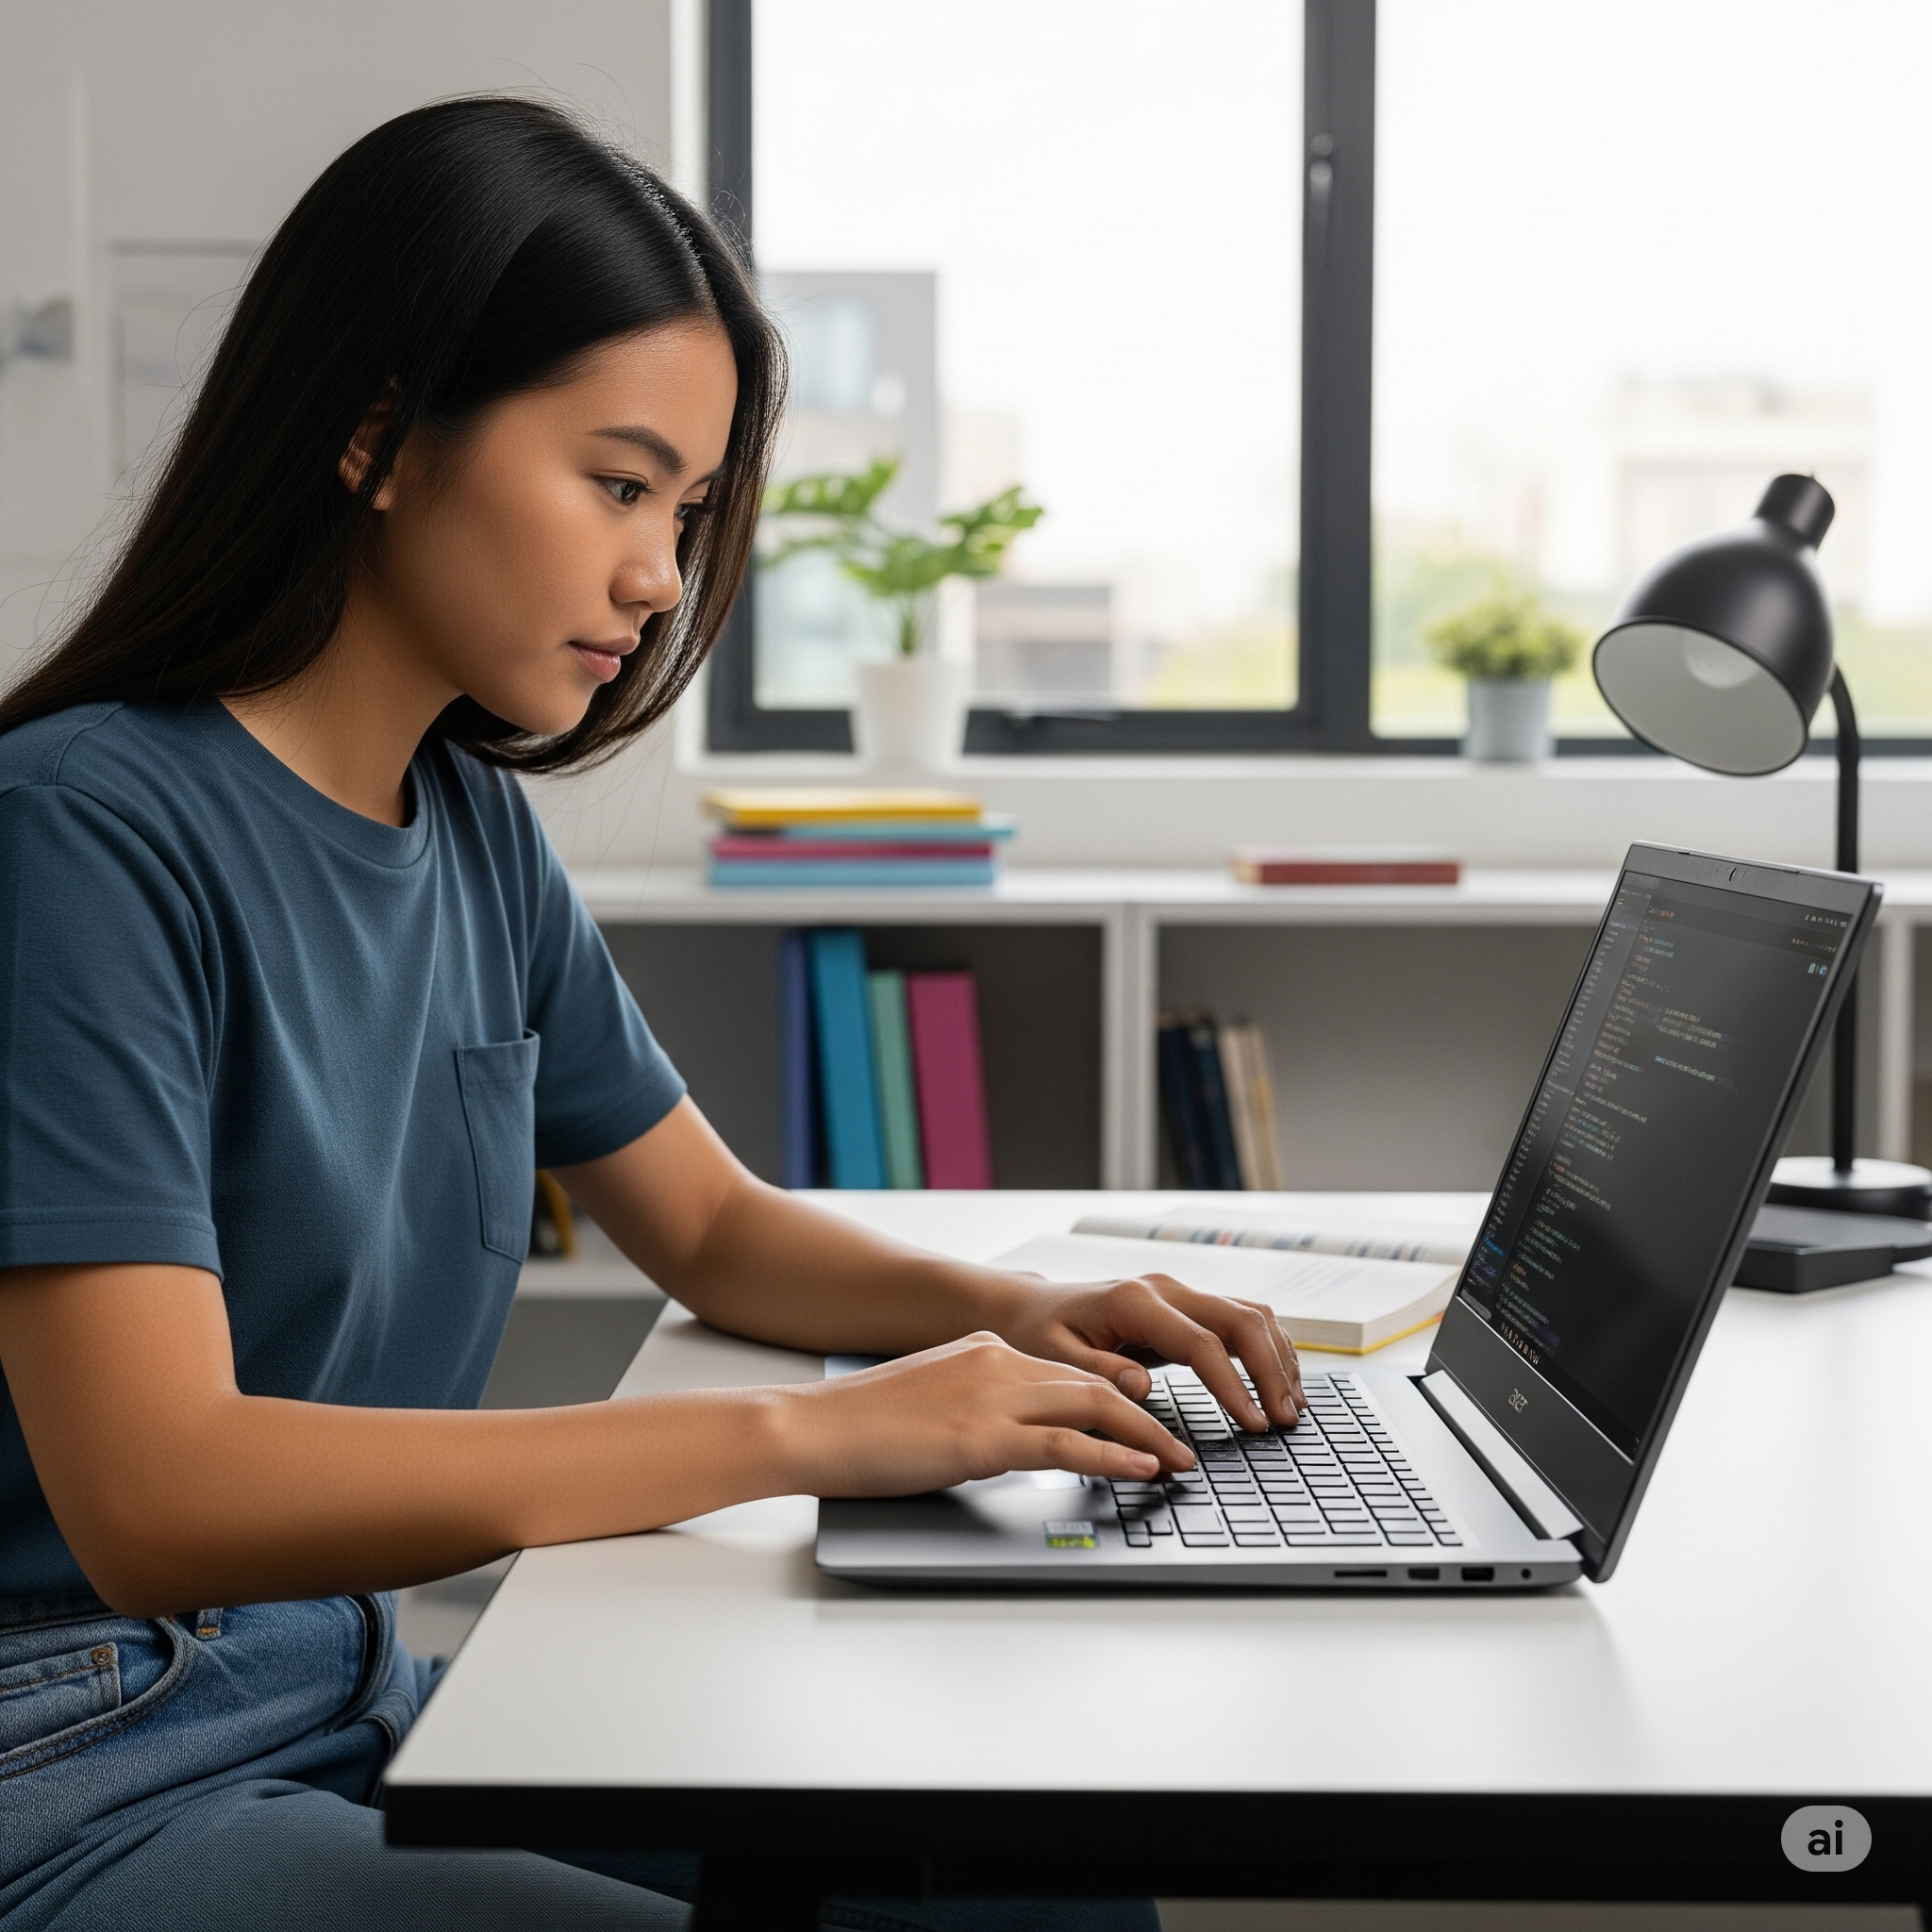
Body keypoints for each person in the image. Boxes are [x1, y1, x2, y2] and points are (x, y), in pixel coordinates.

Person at [0, 99, 1304, 1931]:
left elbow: (710, 1226)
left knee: (1031, 1888)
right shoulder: (79, 838)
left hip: (338, 1693)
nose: (659, 579)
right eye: (616, 486)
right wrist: (819, 1438)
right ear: (378, 435)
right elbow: (159, 1490)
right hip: (76, 1759)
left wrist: (1015, 1313)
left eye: (687, 513)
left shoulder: (463, 826)